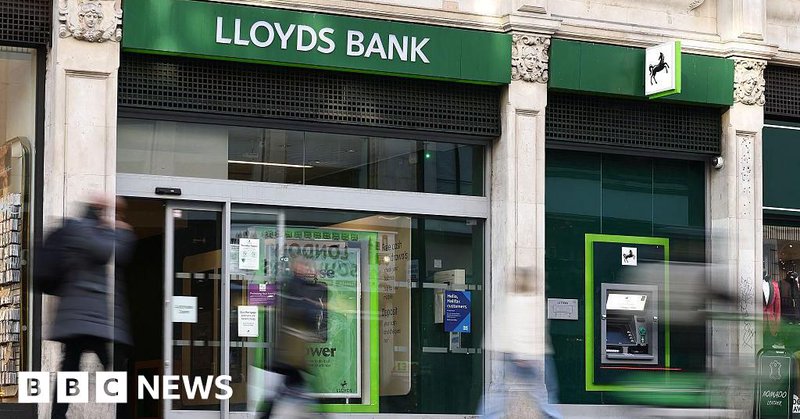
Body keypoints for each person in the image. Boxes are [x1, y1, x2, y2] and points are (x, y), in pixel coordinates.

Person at [49, 197, 136, 419]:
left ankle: (57, 415)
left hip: (75, 319)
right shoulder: (90, 231)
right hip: (90, 320)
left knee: (70, 367)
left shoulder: (75, 229)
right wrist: (121, 232)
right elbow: (108, 251)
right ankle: (123, 414)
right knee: (111, 367)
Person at [479, 267, 562, 419]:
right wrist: (522, 355)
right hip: (529, 355)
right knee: (546, 393)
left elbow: (497, 328)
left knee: (497, 395)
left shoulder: (506, 300)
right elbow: (528, 329)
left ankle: (486, 417)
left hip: (506, 354)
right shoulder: (531, 301)